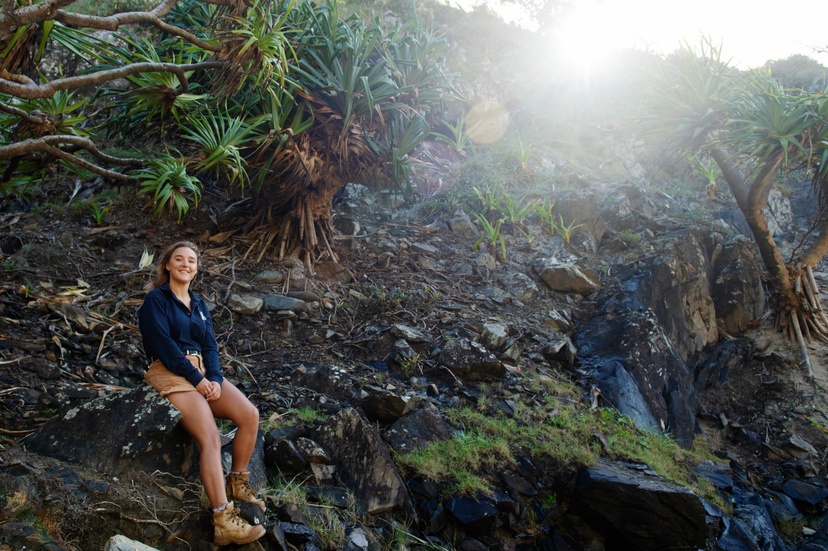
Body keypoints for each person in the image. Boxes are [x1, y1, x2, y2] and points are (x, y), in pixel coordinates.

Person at [138, 241, 265, 546]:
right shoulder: (156, 301)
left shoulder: (199, 304)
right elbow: (164, 346)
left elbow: (210, 346)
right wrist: (196, 379)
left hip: (202, 373)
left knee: (249, 415)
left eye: (191, 260)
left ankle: (237, 481)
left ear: (196, 267)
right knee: (209, 434)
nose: (186, 264)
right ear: (167, 265)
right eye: (179, 259)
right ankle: (223, 519)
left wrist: (216, 378)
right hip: (170, 372)